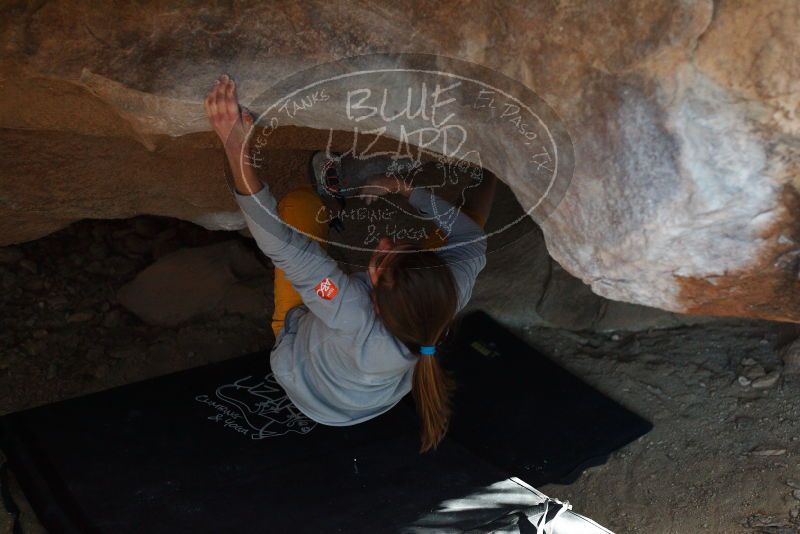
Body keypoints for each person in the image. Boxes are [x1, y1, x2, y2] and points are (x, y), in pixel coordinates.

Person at [204, 74, 496, 452]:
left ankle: (330, 195)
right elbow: (472, 236)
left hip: (305, 376)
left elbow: (280, 243)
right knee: (460, 232)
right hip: (370, 396)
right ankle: (491, 168)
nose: (384, 241)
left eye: (382, 260)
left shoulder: (345, 306)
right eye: (403, 248)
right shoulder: (448, 291)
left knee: (298, 209)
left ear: (374, 300)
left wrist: (234, 147)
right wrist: (404, 188)